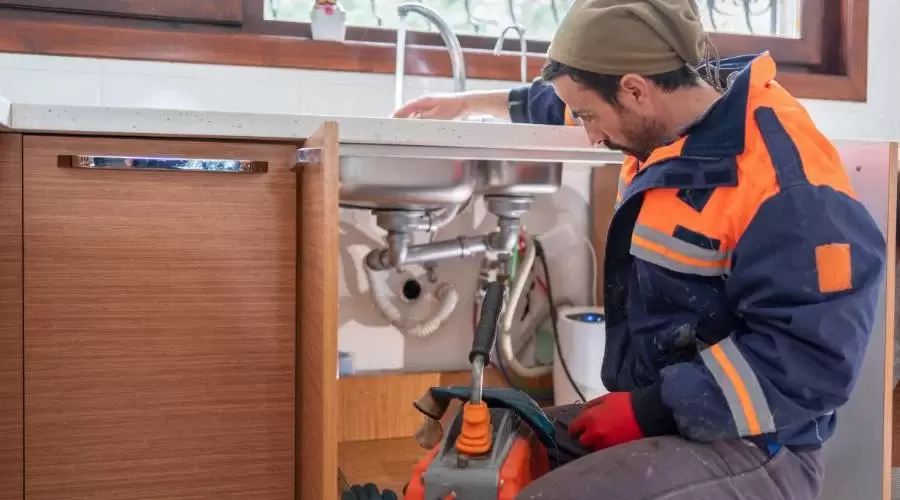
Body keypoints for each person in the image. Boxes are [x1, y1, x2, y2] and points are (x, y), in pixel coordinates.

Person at [394, 0, 886, 499]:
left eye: (589, 117)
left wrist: (648, 411)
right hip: (676, 414)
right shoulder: (675, 109)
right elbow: (567, 100)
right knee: (490, 450)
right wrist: (468, 103)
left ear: (635, 90)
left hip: (763, 448)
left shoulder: (787, 188)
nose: (588, 134)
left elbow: (811, 363)